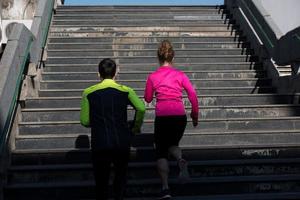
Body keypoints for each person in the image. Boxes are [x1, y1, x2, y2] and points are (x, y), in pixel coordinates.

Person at [80, 58, 145, 200]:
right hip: (121, 140)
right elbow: (141, 108)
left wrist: (97, 122)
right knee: (121, 176)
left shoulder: (88, 92)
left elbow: (84, 121)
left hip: (100, 142)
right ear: (116, 73)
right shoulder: (126, 91)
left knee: (101, 181)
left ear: (99, 74)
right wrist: (134, 127)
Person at [144, 40, 199, 199]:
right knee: (173, 144)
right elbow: (193, 96)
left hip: (163, 116)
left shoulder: (153, 76)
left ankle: (165, 188)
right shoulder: (180, 75)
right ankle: (180, 159)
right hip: (179, 116)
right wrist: (194, 116)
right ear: (172, 57)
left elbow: (147, 99)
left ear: (158, 57)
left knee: (161, 151)